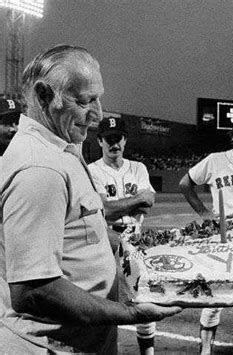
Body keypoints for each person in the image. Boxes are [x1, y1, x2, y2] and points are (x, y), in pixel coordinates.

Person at [0, 44, 181, 354]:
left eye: (99, 97)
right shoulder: (39, 168)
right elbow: (34, 291)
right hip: (50, 346)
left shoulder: (61, 145)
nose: (97, 114)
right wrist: (129, 314)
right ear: (45, 96)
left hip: (78, 341)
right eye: (85, 101)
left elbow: (83, 235)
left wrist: (143, 248)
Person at [179, 114, 233, 355]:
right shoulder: (215, 160)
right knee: (214, 296)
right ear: (232, 136)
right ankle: (205, 350)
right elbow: (185, 183)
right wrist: (203, 212)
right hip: (221, 234)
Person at [88, 116, 156, 355]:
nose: (114, 144)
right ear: (100, 141)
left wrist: (116, 206)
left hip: (136, 241)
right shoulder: (92, 171)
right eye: (109, 140)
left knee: (143, 301)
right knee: (108, 304)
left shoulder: (138, 168)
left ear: (125, 141)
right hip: (107, 242)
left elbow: (148, 203)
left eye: (118, 139)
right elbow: (103, 210)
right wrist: (134, 200)